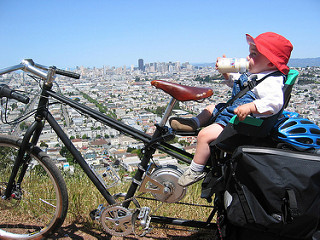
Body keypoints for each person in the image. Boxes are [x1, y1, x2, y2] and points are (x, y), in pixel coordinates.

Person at [170, 32, 293, 187]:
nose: (248, 57)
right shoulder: (256, 74)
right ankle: (193, 122)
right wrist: (226, 73)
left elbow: (274, 104)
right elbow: (237, 84)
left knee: (204, 135)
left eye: (254, 54)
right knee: (210, 108)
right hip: (232, 111)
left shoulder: (271, 82)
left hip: (240, 123)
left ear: (271, 63)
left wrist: (252, 107)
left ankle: (195, 170)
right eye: (250, 53)